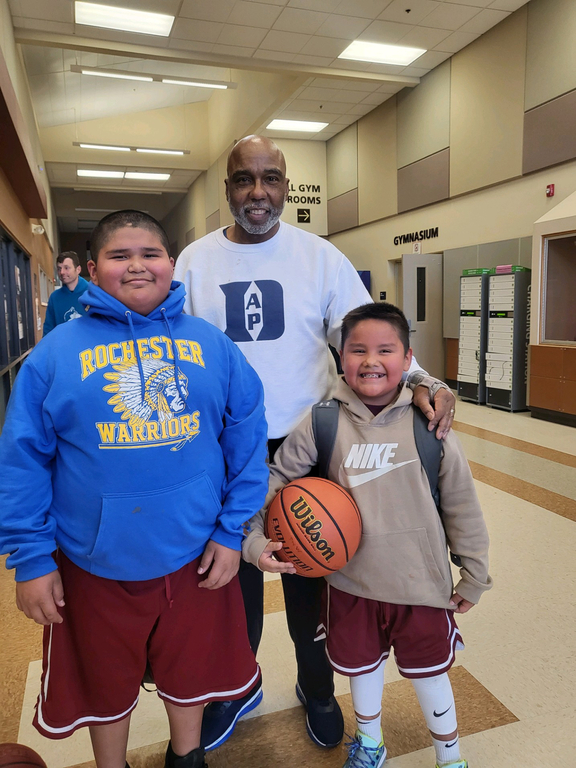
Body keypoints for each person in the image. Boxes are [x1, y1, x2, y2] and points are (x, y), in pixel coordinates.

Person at [174, 135, 456, 751]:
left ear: (286, 186)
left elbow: (368, 335)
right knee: (231, 579)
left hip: (308, 444)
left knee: (313, 569)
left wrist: (423, 380)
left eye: (270, 179)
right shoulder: (193, 262)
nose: (258, 192)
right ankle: (235, 685)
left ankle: (317, 685)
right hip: (224, 446)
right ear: (227, 188)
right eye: (244, 179)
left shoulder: (320, 257)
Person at [0, 211, 269, 768]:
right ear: (92, 269)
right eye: (119, 256)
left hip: (196, 553)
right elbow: (23, 460)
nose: (137, 266)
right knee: (105, 683)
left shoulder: (211, 344)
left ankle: (186, 757)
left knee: (190, 674)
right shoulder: (55, 354)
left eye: (150, 254)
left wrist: (231, 530)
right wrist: (31, 558)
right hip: (93, 561)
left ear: (171, 263)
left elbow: (246, 438)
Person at [244, 302, 492, 768]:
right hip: (351, 586)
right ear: (340, 357)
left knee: (430, 675)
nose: (371, 361)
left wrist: (475, 574)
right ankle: (370, 745)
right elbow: (273, 482)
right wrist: (254, 541)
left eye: (385, 350)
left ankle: (450, 756)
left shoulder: (429, 425)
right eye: (357, 350)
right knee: (361, 672)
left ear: (408, 358)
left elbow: (462, 504)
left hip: (422, 586)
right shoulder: (322, 422)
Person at [43, 251, 89, 335]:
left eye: (66, 268)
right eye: (59, 269)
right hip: (63, 342)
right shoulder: (55, 298)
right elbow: (48, 329)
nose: (62, 272)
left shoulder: (93, 293)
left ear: (78, 269)